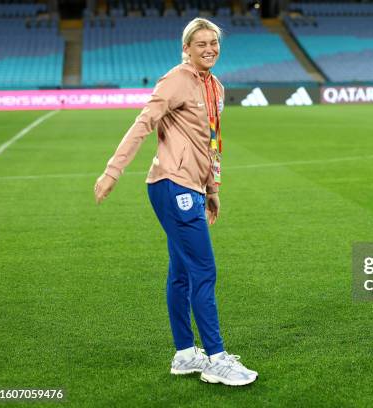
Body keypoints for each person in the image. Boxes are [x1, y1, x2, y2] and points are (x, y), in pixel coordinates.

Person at [93, 18, 257, 386]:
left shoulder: (215, 86)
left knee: (182, 273)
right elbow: (143, 123)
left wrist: (213, 189)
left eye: (213, 42)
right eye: (200, 44)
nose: (209, 49)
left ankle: (185, 354)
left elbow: (211, 141)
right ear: (186, 48)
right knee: (204, 270)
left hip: (193, 188)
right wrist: (112, 171)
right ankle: (216, 359)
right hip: (172, 184)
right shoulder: (177, 79)